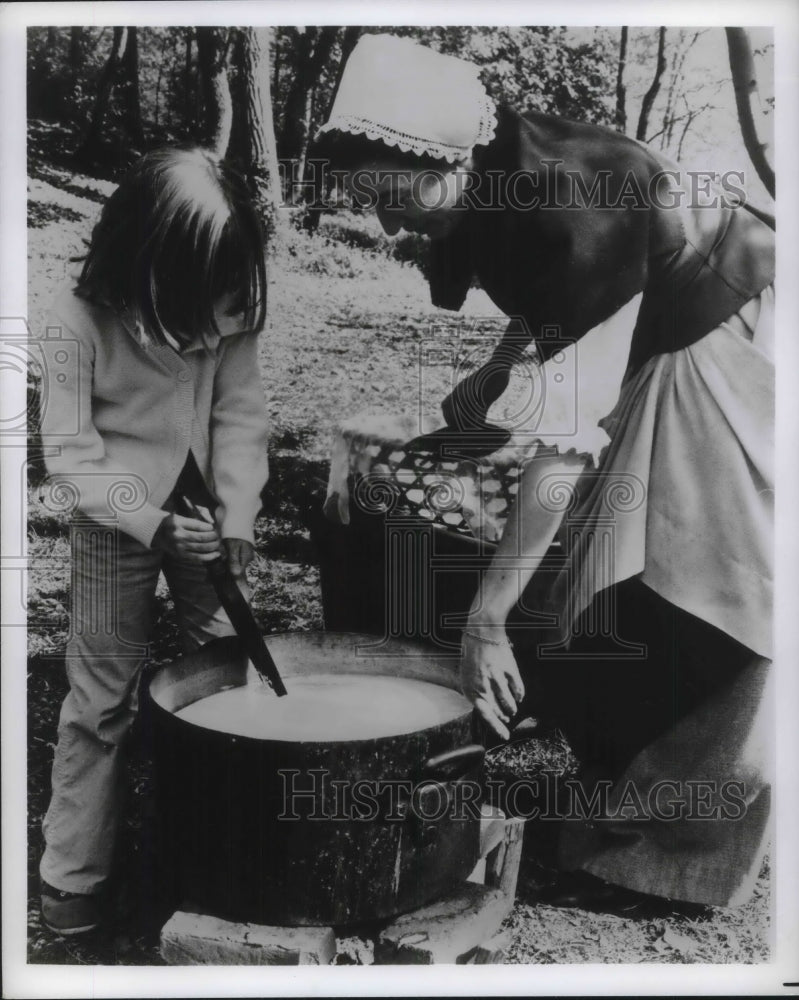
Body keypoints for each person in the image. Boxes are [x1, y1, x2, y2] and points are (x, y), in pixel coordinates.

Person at [313, 33, 775, 911]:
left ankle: (669, 852)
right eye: (369, 204)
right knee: (615, 585)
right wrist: (490, 385)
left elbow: (563, 443)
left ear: (449, 156)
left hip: (732, 338)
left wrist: (484, 620)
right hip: (672, 339)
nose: (387, 224)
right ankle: (573, 788)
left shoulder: (567, 200)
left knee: (719, 594)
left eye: (396, 197)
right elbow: (554, 305)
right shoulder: (498, 175)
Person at [35, 147, 270, 935]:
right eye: (191, 281)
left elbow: (238, 416)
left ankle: (218, 859)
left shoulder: (227, 299)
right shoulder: (73, 319)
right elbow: (70, 458)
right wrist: (149, 517)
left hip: (206, 519)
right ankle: (75, 876)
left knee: (222, 682)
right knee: (102, 699)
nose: (212, 303)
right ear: (147, 254)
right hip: (115, 518)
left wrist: (234, 520)